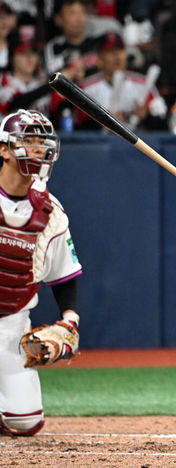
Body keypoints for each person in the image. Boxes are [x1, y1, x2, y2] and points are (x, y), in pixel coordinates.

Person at [0, 109, 82, 436]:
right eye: (28, 140)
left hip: (10, 324)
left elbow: (64, 276)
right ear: (4, 149)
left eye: (42, 142)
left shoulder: (51, 212)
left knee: (25, 421)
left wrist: (69, 322)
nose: (38, 148)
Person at [76, 32, 167, 130]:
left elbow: (163, 124)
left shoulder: (143, 83)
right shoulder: (86, 88)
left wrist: (146, 116)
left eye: (120, 50)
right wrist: (101, 122)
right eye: (111, 51)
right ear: (99, 60)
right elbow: (77, 126)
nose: (117, 56)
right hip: (100, 139)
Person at [43, 0, 103, 78]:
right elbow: (52, 76)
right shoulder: (54, 47)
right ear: (58, 19)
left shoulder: (99, 41)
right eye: (72, 13)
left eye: (82, 12)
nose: (79, 19)